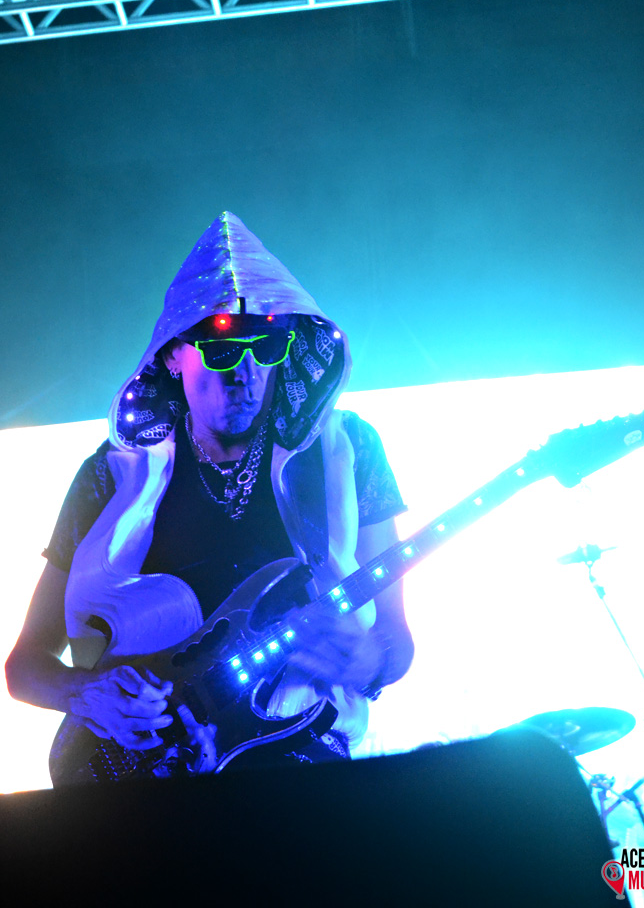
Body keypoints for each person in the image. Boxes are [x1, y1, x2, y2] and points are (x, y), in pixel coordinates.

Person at [5, 212, 414, 781]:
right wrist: (85, 693)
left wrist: (369, 660)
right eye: (220, 350)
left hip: (299, 776)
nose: (244, 373)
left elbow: (395, 638)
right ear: (173, 355)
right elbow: (24, 666)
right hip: (142, 787)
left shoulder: (344, 453)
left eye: (265, 347)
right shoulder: (112, 474)